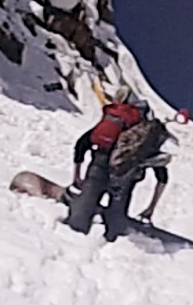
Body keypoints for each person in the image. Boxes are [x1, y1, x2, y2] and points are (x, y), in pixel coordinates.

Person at [68, 83, 170, 238]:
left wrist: (76, 176)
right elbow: (161, 175)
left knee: (83, 207)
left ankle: (73, 235)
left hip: (99, 162)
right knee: (117, 215)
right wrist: (151, 208)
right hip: (125, 173)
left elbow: (82, 144)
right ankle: (112, 240)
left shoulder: (113, 120)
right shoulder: (143, 130)